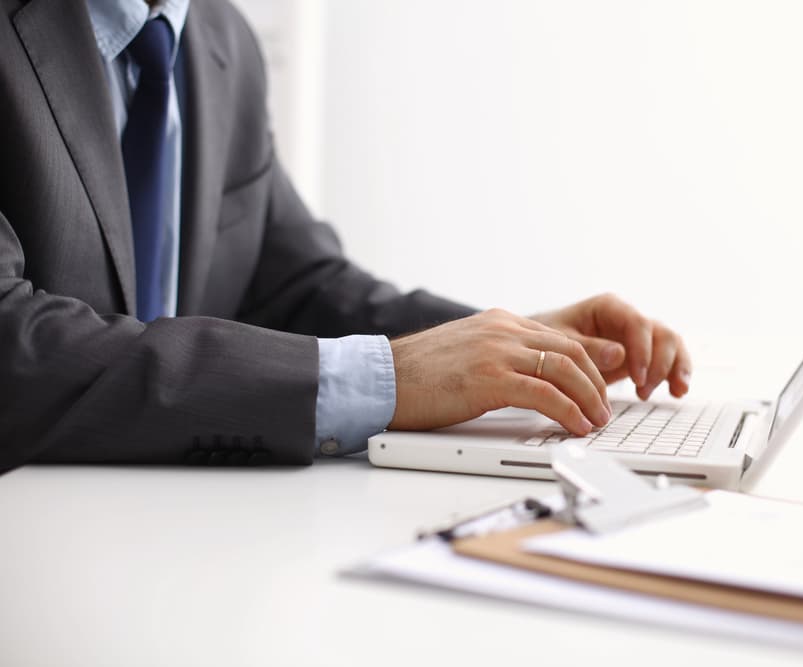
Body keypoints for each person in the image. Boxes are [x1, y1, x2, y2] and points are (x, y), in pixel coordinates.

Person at [0, 0, 691, 475]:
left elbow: (298, 285)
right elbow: (13, 343)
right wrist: (385, 378)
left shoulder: (221, 39)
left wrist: (516, 349)